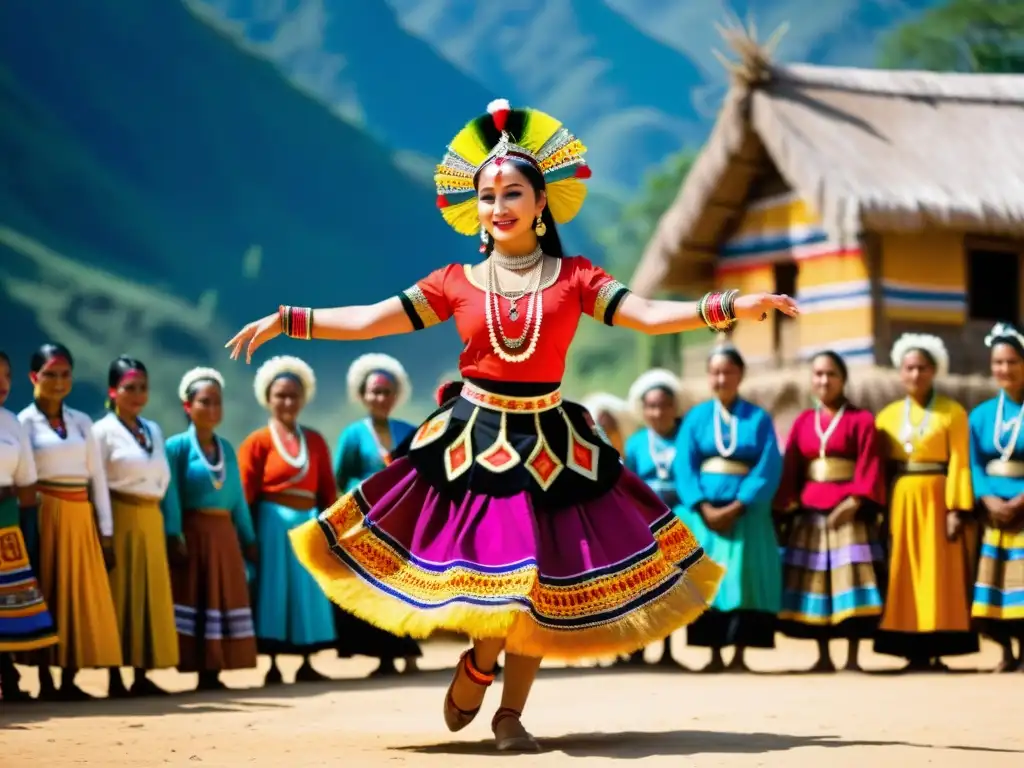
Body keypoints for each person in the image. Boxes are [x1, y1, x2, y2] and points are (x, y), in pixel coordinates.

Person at [226, 98, 797, 751]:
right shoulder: (455, 281)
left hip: (552, 444)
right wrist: (288, 318)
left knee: (542, 583)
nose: (500, 205)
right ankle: (479, 661)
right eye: (488, 195)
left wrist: (729, 305)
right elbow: (370, 320)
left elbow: (643, 313)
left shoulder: (576, 276)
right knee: (504, 576)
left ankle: (509, 715)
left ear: (541, 202)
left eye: (513, 192)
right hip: (473, 443)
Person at [18, 343, 122, 699]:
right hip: (44, 512)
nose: (59, 382)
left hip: (80, 513)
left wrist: (105, 531)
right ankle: (45, 678)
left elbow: (97, 479)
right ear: (34, 377)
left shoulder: (82, 422)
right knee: (48, 591)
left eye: (65, 374)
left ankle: (70, 677)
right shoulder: (23, 423)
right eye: (50, 374)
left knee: (76, 594)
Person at [774, 351, 887, 672]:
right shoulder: (803, 422)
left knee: (850, 582)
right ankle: (823, 655)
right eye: (818, 374)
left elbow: (870, 464)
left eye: (831, 374)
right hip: (811, 511)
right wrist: (787, 505)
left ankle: (852, 657)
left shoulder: (862, 420)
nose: (824, 380)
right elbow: (792, 467)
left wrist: (855, 502)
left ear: (843, 379)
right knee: (817, 583)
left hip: (849, 511)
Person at [675, 344, 783, 672]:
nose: (721, 378)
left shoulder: (758, 419)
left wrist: (739, 504)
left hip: (745, 516)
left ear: (740, 375)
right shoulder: (695, 418)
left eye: (728, 372)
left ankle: (739, 654)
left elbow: (768, 465)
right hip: (704, 517)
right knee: (707, 582)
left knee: (743, 580)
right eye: (715, 372)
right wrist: (703, 507)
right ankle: (713, 654)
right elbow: (684, 465)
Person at [874, 334, 978, 670]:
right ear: (900, 372)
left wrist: (957, 509)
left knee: (938, 573)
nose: (916, 374)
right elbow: (880, 466)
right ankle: (909, 648)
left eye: (922, 368)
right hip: (902, 498)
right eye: (909, 368)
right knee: (903, 570)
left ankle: (938, 645)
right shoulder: (886, 416)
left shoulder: (953, 412)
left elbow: (961, 462)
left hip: (938, 497)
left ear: (934, 371)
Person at [238, 356, 337, 684]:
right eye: (280, 395)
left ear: (303, 398)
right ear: (268, 398)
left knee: (305, 591)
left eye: (293, 395)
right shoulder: (258, 442)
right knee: (274, 591)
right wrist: (248, 537)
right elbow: (245, 494)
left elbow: (327, 492)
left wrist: (331, 532)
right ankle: (274, 662)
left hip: (307, 524)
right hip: (271, 526)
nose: (287, 402)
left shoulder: (316, 441)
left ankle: (307, 660)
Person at [163, 368, 258, 690]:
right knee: (198, 596)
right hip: (195, 533)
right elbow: (171, 492)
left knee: (222, 597)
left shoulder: (227, 449)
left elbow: (238, 500)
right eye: (205, 402)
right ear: (187, 406)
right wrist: (174, 533)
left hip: (224, 536)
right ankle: (199, 664)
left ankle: (217, 667)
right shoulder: (176, 447)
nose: (213, 409)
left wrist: (248, 537)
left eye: (217, 402)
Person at [331, 353, 423, 677]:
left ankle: (410, 652)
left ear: (396, 396)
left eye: (386, 392)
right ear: (362, 395)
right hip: (366, 525)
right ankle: (385, 655)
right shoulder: (352, 435)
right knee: (377, 588)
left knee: (408, 587)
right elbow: (340, 479)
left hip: (403, 524)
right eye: (374, 391)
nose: (380, 397)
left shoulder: (410, 433)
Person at [93, 356, 179, 696]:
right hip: (121, 512)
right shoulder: (102, 432)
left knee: (148, 593)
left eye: (143, 387)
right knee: (120, 594)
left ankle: (142, 671)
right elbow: (98, 483)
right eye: (129, 388)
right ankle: (114, 674)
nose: (137, 394)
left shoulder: (153, 429)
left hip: (150, 516)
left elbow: (164, 475)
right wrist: (107, 532)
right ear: (113, 391)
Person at [0, 351, 58, 702]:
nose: (2, 384)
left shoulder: (11, 423)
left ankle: (9, 673)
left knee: (7, 607)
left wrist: (27, 532)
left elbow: (26, 483)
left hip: (6, 522)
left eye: (6, 375)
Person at [622, 369, 687, 668]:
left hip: (681, 519)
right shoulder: (635, 443)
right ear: (643, 410)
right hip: (643, 523)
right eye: (651, 406)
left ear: (674, 407)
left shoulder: (686, 438)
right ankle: (637, 649)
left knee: (673, 587)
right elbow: (628, 482)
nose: (658, 411)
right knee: (640, 587)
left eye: (663, 405)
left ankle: (669, 651)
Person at [968, 323, 1024, 672]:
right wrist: (987, 498)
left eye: (1012, 361)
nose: (1004, 369)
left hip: (1023, 507)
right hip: (993, 511)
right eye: (998, 362)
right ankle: (1005, 650)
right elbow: (973, 463)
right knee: (997, 582)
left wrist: (1020, 501)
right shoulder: (981, 415)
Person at [581, 392, 635, 456]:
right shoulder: (598, 437)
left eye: (604, 416)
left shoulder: (626, 434)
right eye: (600, 417)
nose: (603, 421)